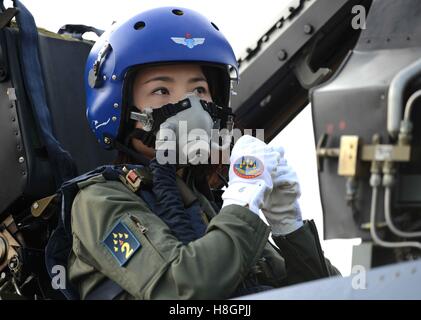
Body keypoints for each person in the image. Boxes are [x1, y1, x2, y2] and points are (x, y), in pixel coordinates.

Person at [60, 6, 340, 300]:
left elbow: (332, 295)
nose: (190, 107)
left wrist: (288, 225)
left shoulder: (209, 203)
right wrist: (242, 205)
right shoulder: (99, 202)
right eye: (161, 92)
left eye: (199, 91)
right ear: (117, 108)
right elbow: (181, 290)